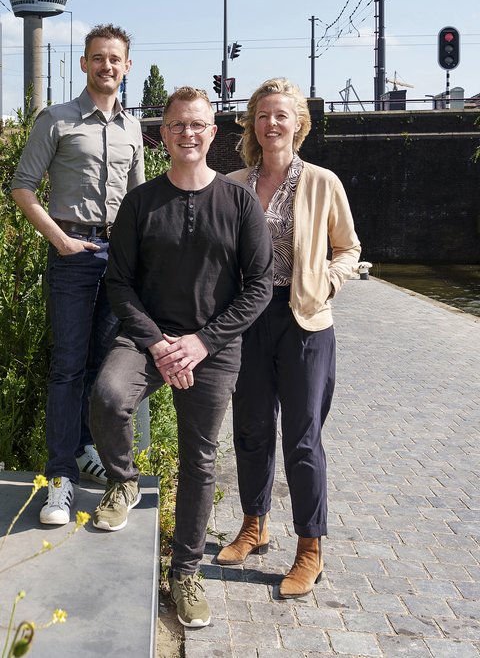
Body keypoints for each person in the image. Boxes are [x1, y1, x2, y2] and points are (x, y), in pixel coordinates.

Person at [89, 87, 273, 628]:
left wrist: (202, 343)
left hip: (211, 347)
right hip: (147, 341)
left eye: (198, 125)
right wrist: (157, 343)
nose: (188, 134)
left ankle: (184, 574)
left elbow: (258, 286)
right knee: (107, 396)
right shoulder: (141, 202)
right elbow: (119, 284)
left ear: (213, 134)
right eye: (177, 126)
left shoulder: (240, 204)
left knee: (199, 458)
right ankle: (122, 480)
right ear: (162, 134)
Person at [216, 77, 361, 599]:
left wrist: (327, 281)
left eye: (282, 115)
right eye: (263, 115)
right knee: (252, 428)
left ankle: (309, 548)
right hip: (248, 319)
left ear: (298, 123)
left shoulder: (322, 181)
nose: (272, 123)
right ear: (252, 124)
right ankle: (254, 525)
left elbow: (348, 247)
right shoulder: (233, 184)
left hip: (304, 322)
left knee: (302, 439)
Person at [11, 24, 144, 526]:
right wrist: (59, 240)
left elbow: (138, 203)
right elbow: (22, 187)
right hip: (72, 252)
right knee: (67, 368)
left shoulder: (133, 129)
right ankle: (60, 479)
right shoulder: (58, 119)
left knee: (101, 365)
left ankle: (89, 449)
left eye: (115, 59)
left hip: (118, 258)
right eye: (98, 58)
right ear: (85, 63)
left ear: (126, 66)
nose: (107, 66)